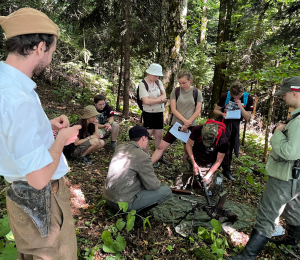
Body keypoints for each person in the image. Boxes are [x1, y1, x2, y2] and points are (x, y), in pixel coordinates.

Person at [0, 8, 80, 259]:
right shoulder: (19, 99)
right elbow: (38, 178)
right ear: (39, 47)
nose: (51, 58)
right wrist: (62, 140)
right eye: (52, 51)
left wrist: (45, 125)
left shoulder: (7, 82)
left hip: (18, 198)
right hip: (42, 201)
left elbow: (10, 128)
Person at [227, 77, 300, 260]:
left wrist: (277, 134)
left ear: (295, 92)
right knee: (294, 207)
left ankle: (248, 255)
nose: (283, 98)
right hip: (295, 176)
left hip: (285, 174)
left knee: (268, 212)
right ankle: (291, 241)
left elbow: (289, 152)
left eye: (284, 94)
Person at [104, 126, 172, 212]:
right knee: (166, 190)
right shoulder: (142, 156)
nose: (147, 142)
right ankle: (133, 213)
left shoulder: (119, 147)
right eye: (147, 139)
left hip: (108, 198)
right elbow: (153, 185)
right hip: (123, 203)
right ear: (143, 138)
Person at [151, 70, 203, 164]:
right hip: (176, 124)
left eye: (184, 83)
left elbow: (197, 110)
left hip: (190, 126)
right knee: (161, 147)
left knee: (187, 151)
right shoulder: (176, 91)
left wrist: (187, 123)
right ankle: (147, 166)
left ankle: (184, 172)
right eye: (180, 83)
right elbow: (173, 109)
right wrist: (184, 121)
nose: (182, 85)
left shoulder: (197, 92)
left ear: (190, 80)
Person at [213, 82, 253, 181]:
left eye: (237, 96)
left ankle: (226, 169)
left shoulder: (248, 98)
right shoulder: (225, 96)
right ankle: (213, 166)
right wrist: (222, 114)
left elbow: (248, 117)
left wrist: (240, 106)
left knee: (230, 147)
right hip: (223, 123)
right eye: (233, 96)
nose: (235, 98)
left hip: (235, 125)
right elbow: (215, 110)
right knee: (218, 143)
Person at [175, 123, 229, 191]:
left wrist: (207, 176)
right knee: (178, 183)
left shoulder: (223, 141)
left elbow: (218, 161)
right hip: (194, 160)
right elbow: (188, 145)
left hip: (208, 167)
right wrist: (194, 163)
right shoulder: (197, 129)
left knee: (206, 188)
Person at [138, 63, 169, 165]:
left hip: (159, 112)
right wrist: (160, 99)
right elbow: (146, 101)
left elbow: (164, 95)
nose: (157, 77)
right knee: (147, 135)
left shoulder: (158, 82)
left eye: (158, 75)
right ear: (149, 73)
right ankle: (146, 156)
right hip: (148, 113)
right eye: (155, 75)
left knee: (159, 135)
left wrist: (155, 100)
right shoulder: (143, 84)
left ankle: (158, 156)